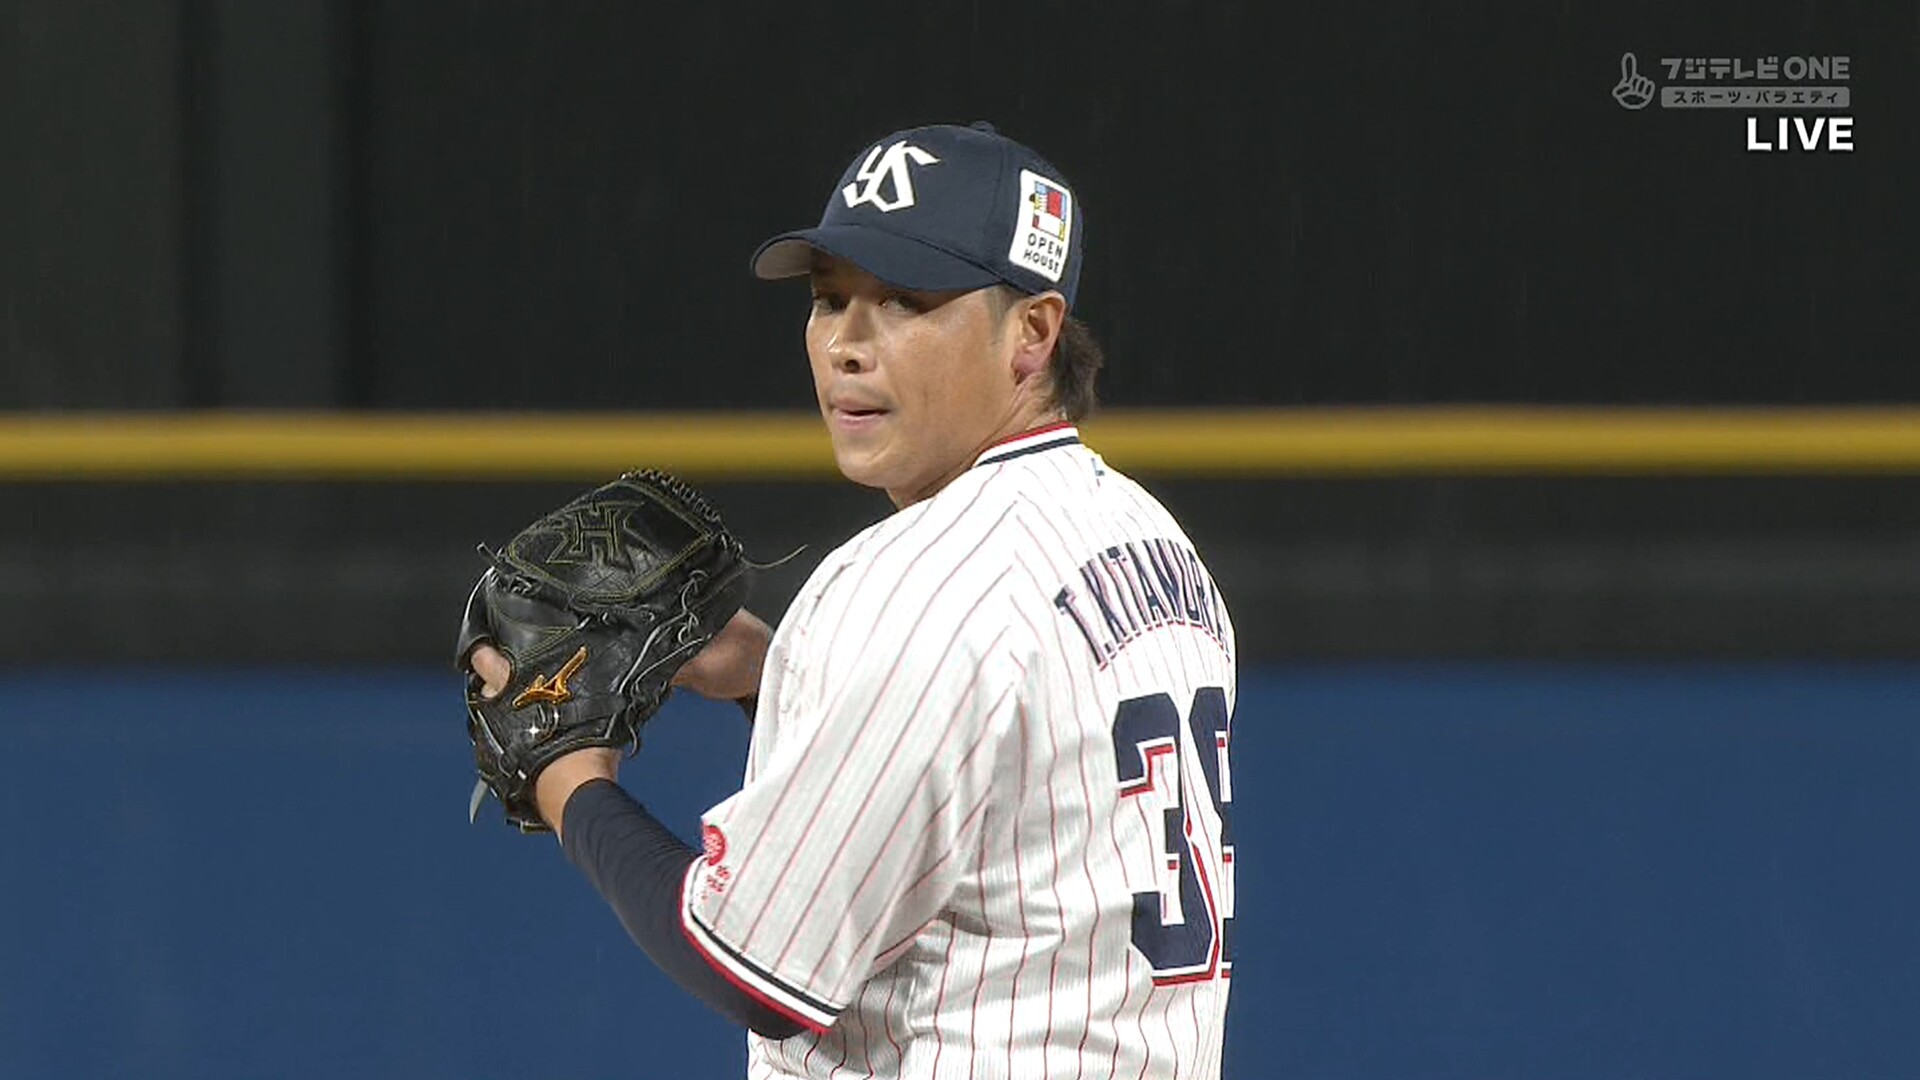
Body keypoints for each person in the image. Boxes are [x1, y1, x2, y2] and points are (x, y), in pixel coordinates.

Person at [469, 121, 1238, 1078]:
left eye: (907, 301)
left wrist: (570, 781)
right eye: (830, 299)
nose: (846, 345)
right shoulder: (1153, 542)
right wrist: (772, 678)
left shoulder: (914, 583)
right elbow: (989, 806)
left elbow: (750, 966)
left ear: (1032, 335)